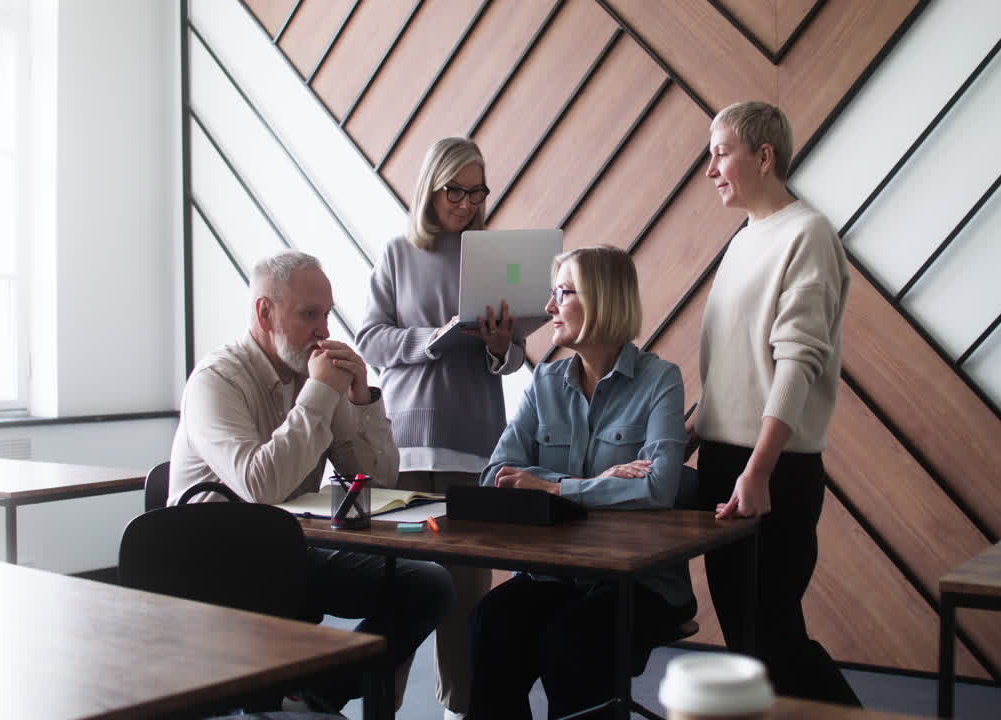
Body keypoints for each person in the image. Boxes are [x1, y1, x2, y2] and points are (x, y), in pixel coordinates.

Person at [168, 249, 454, 713]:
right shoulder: (215, 381)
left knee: (429, 585)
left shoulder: (312, 373)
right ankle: (297, 690)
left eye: (326, 314)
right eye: (309, 315)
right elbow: (260, 487)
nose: (324, 330)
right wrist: (320, 393)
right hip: (217, 564)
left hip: (284, 552)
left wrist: (363, 400)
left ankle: (319, 689)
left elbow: (378, 480)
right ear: (265, 312)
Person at [467, 245, 694, 720]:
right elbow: (495, 475)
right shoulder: (544, 382)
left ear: (603, 301)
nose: (549, 308)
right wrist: (598, 482)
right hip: (555, 572)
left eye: (563, 293)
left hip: (639, 583)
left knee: (572, 641)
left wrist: (552, 487)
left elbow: (658, 489)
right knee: (492, 621)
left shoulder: (660, 382)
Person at [688, 101, 860, 705]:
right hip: (722, 462)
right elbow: (734, 371)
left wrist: (758, 470)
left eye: (721, 153)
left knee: (776, 639)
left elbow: (798, 362)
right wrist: (686, 434)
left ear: (764, 156)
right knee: (747, 644)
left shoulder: (808, 233)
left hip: (771, 471)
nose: (710, 168)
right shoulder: (744, 240)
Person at [355, 137, 523, 720]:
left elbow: (516, 356)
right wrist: (428, 341)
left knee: (466, 591)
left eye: (478, 192)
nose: (468, 203)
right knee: (400, 585)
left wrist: (502, 346)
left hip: (475, 439)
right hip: (405, 441)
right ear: (432, 187)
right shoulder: (399, 252)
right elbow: (368, 338)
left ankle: (461, 710)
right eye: (457, 190)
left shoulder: (494, 255)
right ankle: (384, 706)